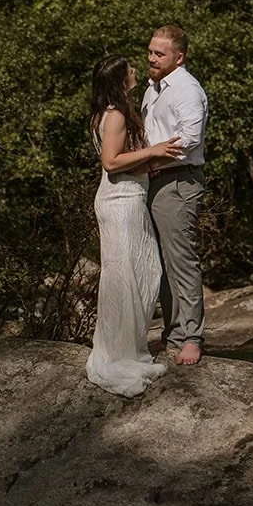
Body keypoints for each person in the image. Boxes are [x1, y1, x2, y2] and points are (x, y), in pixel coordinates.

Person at [86, 56, 183, 397]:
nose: (136, 72)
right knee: (126, 274)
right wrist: (153, 151)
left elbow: (127, 159)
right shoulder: (113, 115)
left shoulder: (117, 111)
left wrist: (153, 161)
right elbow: (111, 162)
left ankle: (128, 344)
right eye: (130, 70)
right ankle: (120, 352)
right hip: (119, 202)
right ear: (119, 78)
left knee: (140, 272)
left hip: (130, 198)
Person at [142, 24, 209, 366]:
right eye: (150, 51)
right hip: (154, 181)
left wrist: (152, 155)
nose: (151, 58)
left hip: (179, 181)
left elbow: (190, 138)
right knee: (163, 264)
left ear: (178, 57)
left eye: (159, 54)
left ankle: (192, 338)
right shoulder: (152, 89)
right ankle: (172, 335)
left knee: (181, 260)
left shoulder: (185, 88)